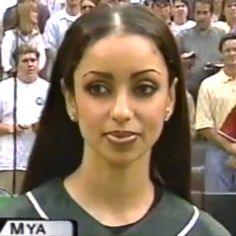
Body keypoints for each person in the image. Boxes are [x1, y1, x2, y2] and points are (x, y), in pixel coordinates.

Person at [0, 5, 230, 236]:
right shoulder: (17, 227)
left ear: (170, 98)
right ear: (70, 98)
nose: (121, 111)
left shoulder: (201, 231)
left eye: (144, 88)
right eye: (98, 88)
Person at [0, 44, 49, 195]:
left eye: (33, 60)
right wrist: (11, 129)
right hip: (8, 162)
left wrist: (42, 128)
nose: (30, 64)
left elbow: (58, 126)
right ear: (16, 64)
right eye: (25, 61)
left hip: (38, 163)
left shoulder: (48, 89)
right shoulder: (3, 89)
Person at [196, 33, 236, 192]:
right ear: (221, 53)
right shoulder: (208, 85)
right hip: (218, 152)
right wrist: (229, 147)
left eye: (235, 49)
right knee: (218, 204)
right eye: (228, 50)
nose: (232, 53)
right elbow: (203, 124)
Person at [1, 0, 46, 78]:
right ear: (25, 14)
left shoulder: (37, 36)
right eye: (34, 12)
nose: (37, 15)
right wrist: (15, 72)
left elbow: (42, 59)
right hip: (12, 77)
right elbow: (5, 60)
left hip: (33, 76)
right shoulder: (11, 36)